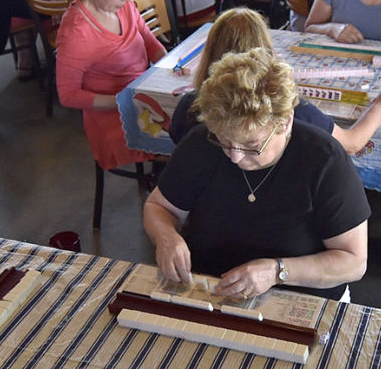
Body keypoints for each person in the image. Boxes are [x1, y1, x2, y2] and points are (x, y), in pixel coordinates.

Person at [144, 48, 369, 301]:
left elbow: (353, 261)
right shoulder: (201, 143)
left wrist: (277, 271)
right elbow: (158, 207)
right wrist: (167, 237)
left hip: (299, 295)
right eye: (224, 142)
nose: (235, 157)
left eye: (252, 146)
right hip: (211, 287)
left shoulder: (325, 160)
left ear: (285, 122)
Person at [166, 7, 381, 155]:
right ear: (265, 50)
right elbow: (350, 144)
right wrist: (380, 108)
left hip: (209, 206)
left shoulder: (189, 105)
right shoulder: (287, 110)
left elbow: (178, 142)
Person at [57, 0, 164, 172]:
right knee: (187, 138)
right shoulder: (77, 33)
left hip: (140, 93)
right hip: (113, 114)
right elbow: (68, 95)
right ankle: (167, 194)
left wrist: (167, 65)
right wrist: (123, 101)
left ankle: (168, 187)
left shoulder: (121, 3)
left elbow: (146, 38)